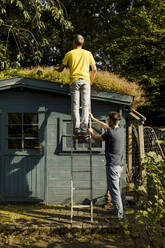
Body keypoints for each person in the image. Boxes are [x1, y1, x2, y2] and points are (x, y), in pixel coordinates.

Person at [54, 34, 97, 136]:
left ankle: (77, 128)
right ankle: (84, 127)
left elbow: (61, 69)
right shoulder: (88, 54)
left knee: (75, 105)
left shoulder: (69, 54)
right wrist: (90, 81)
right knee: (86, 105)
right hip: (86, 81)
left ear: (74, 42)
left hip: (74, 81)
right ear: (82, 43)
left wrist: (55, 69)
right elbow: (94, 70)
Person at [88, 112, 125, 220]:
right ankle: (119, 212)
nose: (107, 121)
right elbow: (106, 127)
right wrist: (94, 119)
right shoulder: (121, 130)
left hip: (113, 166)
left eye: (108, 119)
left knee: (114, 191)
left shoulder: (110, 134)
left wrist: (91, 132)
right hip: (119, 165)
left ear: (112, 121)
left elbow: (96, 138)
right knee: (114, 189)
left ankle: (120, 217)